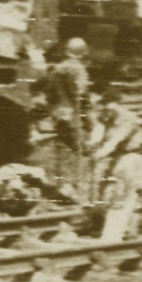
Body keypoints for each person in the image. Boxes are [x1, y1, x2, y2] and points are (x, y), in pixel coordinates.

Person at [88, 88, 142, 241]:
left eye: (107, 105)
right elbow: (99, 132)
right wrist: (93, 144)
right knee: (126, 197)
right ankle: (128, 232)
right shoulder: (108, 117)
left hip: (133, 159)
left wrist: (100, 153)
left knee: (121, 197)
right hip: (121, 159)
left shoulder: (128, 118)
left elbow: (115, 139)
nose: (106, 109)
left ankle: (111, 237)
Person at [41, 37, 91, 193]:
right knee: (75, 147)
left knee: (60, 145)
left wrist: (54, 109)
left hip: (58, 113)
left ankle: (60, 182)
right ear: (83, 53)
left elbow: (48, 92)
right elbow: (81, 94)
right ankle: (71, 184)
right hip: (73, 113)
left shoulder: (57, 69)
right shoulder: (78, 69)